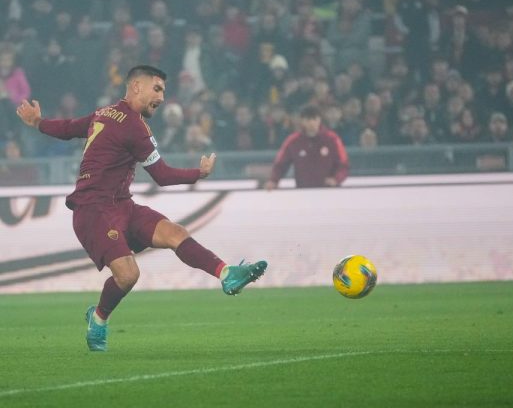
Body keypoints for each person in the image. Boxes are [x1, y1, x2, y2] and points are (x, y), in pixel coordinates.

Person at [15, 65, 268, 352]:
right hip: (92, 209)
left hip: (122, 205)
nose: (161, 97)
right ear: (137, 86)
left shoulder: (105, 112)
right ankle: (98, 320)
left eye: (163, 91)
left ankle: (226, 274)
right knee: (128, 275)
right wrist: (198, 174)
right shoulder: (134, 126)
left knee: (174, 232)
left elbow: (69, 128)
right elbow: (161, 176)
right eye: (157, 89)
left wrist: (39, 122)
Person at [265, 104, 349, 190]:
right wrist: (273, 180)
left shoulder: (332, 139)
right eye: (308, 119)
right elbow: (281, 164)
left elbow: (343, 164)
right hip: (303, 192)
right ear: (302, 121)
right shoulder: (293, 141)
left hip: (328, 191)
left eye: (314, 119)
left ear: (320, 119)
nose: (312, 123)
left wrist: (336, 179)